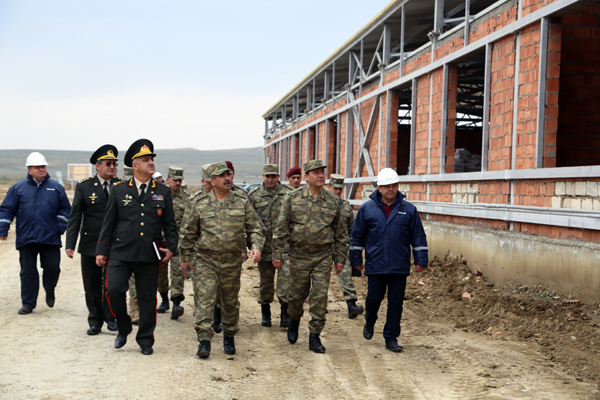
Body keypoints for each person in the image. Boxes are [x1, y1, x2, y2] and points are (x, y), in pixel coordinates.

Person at [96, 139, 178, 355]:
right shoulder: (119, 189)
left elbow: (169, 223)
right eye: (145, 160)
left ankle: (145, 340)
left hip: (149, 254)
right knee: (112, 290)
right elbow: (109, 223)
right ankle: (123, 328)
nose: (151, 163)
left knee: (148, 299)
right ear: (135, 165)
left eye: (151, 159)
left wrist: (171, 247)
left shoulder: (163, 191)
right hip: (121, 252)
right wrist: (102, 251)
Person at [179, 161, 264, 359]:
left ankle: (229, 336)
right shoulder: (199, 203)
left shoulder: (241, 201)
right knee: (205, 301)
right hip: (205, 260)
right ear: (212, 180)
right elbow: (188, 232)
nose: (227, 178)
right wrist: (184, 258)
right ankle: (204, 340)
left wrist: (257, 246)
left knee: (229, 302)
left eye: (229, 174)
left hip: (232, 262)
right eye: (222, 175)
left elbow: (255, 227)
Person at [272, 160, 347, 354]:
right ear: (306, 177)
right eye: (315, 173)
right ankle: (294, 319)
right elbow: (281, 229)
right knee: (296, 297)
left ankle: (315, 336)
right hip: (297, 256)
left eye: (322, 172)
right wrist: (277, 253)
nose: (321, 175)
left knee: (320, 297)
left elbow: (340, 233)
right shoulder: (292, 199)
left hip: (323, 256)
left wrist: (340, 257)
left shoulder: (333, 201)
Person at [349, 168, 428, 352]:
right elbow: (357, 236)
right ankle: (370, 320)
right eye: (386, 186)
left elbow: (418, 236)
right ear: (379, 187)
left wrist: (421, 260)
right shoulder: (367, 209)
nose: (390, 189)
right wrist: (355, 260)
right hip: (376, 264)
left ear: (398, 186)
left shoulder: (408, 210)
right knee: (374, 298)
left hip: (399, 265)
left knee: (396, 302)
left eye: (394, 185)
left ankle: (391, 337)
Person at [0, 152, 71, 314]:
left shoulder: (56, 188)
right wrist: (2, 228)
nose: (41, 169)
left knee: (52, 268)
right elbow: (7, 209)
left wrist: (59, 227)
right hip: (26, 237)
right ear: (29, 169)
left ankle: (50, 289)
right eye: (38, 167)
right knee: (27, 271)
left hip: (50, 236)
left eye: (43, 167)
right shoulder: (18, 188)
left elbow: (66, 209)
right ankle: (28, 303)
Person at [65, 145, 120, 334]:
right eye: (108, 163)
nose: (112, 167)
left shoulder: (121, 186)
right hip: (90, 244)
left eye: (114, 163)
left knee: (112, 284)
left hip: (115, 244)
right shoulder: (84, 186)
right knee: (92, 284)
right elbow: (75, 217)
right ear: (98, 166)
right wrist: (70, 244)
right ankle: (95, 320)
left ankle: (112, 317)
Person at [248, 164, 293, 328]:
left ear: (278, 176)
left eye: (273, 176)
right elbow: (251, 223)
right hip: (265, 248)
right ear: (263, 176)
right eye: (267, 176)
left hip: (285, 248)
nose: (270, 179)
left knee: (285, 282)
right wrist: (253, 246)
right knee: (266, 283)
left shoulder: (289, 194)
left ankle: (285, 314)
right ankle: (265, 313)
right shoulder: (254, 196)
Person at [326, 174, 364, 319]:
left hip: (341, 246)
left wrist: (352, 247)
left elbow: (351, 229)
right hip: (323, 245)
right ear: (329, 187)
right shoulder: (321, 204)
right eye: (335, 188)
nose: (337, 191)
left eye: (340, 188)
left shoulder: (346, 205)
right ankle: (320, 304)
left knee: (345, 274)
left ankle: (351, 304)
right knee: (321, 276)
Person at [156, 166, 191, 320]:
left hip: (178, 242)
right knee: (161, 274)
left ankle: (176, 303)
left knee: (178, 273)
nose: (177, 183)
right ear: (168, 179)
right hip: (160, 242)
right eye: (175, 179)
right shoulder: (158, 195)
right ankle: (164, 300)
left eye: (179, 180)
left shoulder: (188, 198)